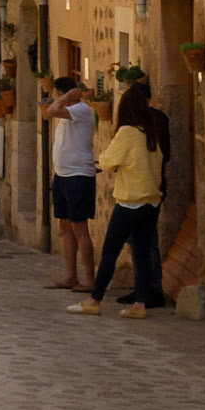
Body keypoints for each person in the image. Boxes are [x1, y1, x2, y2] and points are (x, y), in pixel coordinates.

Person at [70, 83, 164, 319]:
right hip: (151, 202)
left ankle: (94, 300)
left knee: (109, 253)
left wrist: (103, 161)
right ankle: (140, 304)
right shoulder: (150, 133)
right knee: (142, 254)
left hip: (130, 201)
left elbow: (108, 161)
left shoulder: (128, 133)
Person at [114, 75, 170, 307]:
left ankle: (150, 288)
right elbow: (166, 154)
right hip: (155, 187)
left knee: (142, 242)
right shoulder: (159, 119)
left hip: (137, 190)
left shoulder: (137, 125)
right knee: (143, 241)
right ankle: (144, 288)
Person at [40, 73, 96, 292]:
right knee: (65, 227)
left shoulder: (81, 110)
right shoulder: (67, 113)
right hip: (62, 175)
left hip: (78, 175)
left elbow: (51, 111)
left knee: (79, 227)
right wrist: (64, 98)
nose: (56, 99)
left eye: (57, 95)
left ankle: (89, 279)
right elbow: (50, 112)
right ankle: (71, 276)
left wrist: (67, 97)